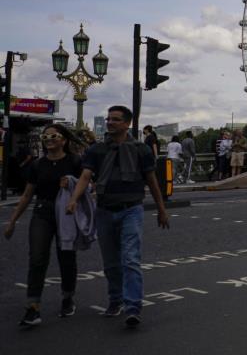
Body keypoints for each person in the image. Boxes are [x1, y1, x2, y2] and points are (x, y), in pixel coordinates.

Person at [66, 105, 170, 328]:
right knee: (111, 263)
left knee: (130, 259)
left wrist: (161, 209)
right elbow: (85, 176)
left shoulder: (141, 150)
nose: (110, 122)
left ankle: (133, 307)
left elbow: (152, 180)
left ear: (127, 124)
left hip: (131, 209)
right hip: (104, 210)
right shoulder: (96, 150)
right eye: (108, 119)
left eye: (115, 119)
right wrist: (74, 199)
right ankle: (116, 300)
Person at [4, 124, 85, 327]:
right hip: (43, 211)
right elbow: (27, 195)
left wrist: (73, 183)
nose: (48, 139)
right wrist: (12, 221)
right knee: (38, 258)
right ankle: (33, 307)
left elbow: (88, 186)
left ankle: (67, 297)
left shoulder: (74, 161)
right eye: (45, 136)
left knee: (66, 256)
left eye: (53, 135)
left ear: (63, 140)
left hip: (66, 213)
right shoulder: (38, 165)